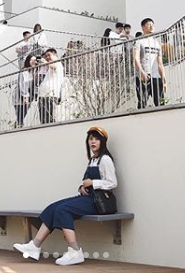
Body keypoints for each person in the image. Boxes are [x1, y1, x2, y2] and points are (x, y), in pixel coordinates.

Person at [13, 126, 117, 266]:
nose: (93, 142)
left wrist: (93, 183)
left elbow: (112, 183)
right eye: (91, 139)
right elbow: (86, 181)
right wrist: (82, 187)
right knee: (53, 208)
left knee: (63, 210)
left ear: (102, 142)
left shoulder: (105, 160)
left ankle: (75, 252)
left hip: (98, 203)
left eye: (96, 139)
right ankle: (34, 246)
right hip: (87, 198)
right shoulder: (93, 160)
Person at [133, 18, 167, 109]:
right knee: (142, 103)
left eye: (152, 24)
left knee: (160, 104)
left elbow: (160, 63)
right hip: (143, 76)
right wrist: (142, 73)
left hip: (156, 77)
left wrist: (163, 78)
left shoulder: (157, 43)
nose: (151, 26)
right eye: (149, 24)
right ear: (143, 27)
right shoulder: (139, 41)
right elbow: (135, 59)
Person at [37, 48, 65, 124]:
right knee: (43, 120)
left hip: (50, 96)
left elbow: (54, 67)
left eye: (49, 55)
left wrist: (44, 62)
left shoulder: (58, 64)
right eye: (46, 56)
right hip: (43, 96)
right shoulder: (50, 68)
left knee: (50, 118)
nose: (47, 57)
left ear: (55, 55)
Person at [13, 53, 37, 128]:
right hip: (20, 95)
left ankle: (18, 125)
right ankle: (19, 126)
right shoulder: (24, 71)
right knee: (20, 113)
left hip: (27, 96)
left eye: (35, 60)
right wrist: (25, 96)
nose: (33, 62)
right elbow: (22, 84)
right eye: (31, 60)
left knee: (23, 114)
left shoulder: (33, 72)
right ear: (27, 61)